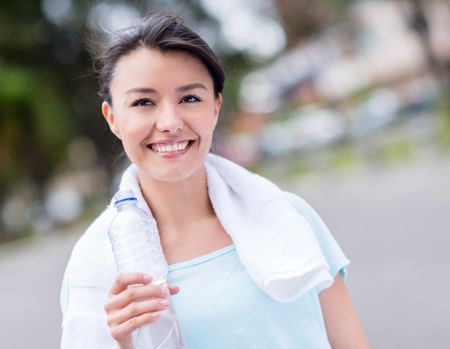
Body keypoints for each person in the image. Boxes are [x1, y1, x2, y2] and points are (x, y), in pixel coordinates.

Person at [60, 12, 371, 349]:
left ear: (216, 107)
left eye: (190, 98)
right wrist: (123, 342)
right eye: (143, 102)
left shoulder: (289, 217)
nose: (169, 122)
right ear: (113, 118)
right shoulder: (95, 265)